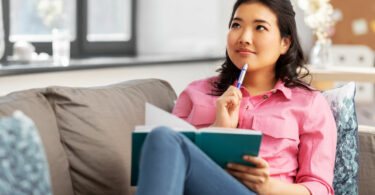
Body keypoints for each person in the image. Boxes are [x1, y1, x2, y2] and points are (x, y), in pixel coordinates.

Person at [136, 0, 337, 194]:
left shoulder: (309, 104)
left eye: (260, 27)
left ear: (285, 43)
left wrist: (267, 187)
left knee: (164, 137)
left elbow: (320, 189)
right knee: (162, 138)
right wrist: (218, 130)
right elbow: (168, 166)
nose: (244, 38)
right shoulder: (195, 93)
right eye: (236, 25)